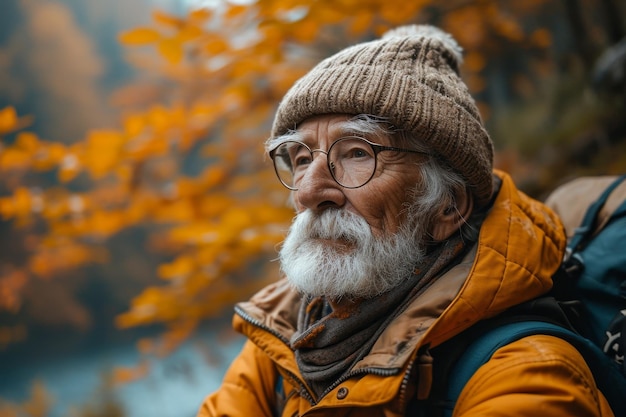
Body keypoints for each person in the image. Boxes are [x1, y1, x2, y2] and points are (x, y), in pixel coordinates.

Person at [196, 24, 614, 416]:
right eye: (302, 159)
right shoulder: (284, 332)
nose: (308, 192)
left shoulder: (524, 372)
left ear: (448, 207)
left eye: (358, 152)